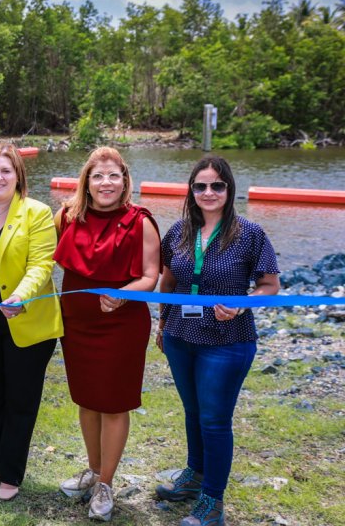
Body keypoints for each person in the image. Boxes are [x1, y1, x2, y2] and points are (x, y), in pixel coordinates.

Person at [154, 156, 279, 526]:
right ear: (191, 191)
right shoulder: (177, 232)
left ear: (229, 189)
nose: (208, 193)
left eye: (217, 186)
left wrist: (242, 306)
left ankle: (213, 502)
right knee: (193, 412)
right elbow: (168, 282)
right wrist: (162, 324)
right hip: (180, 337)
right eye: (200, 186)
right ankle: (194, 476)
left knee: (215, 421)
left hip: (228, 341)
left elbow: (269, 286)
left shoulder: (250, 234)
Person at [53, 146, 160, 521]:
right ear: (87, 181)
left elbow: (150, 276)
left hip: (122, 324)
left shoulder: (141, 221)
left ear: (125, 180)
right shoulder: (67, 217)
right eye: (98, 175)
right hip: (77, 324)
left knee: (114, 402)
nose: (106, 182)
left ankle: (106, 484)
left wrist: (121, 296)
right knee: (86, 399)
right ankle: (93, 469)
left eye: (114, 175)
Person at [0, 143, 63, 501]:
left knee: (20, 399)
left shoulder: (37, 212)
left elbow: (42, 264)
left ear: (18, 175)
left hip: (27, 320)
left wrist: (20, 295)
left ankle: (12, 472)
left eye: (6, 170)